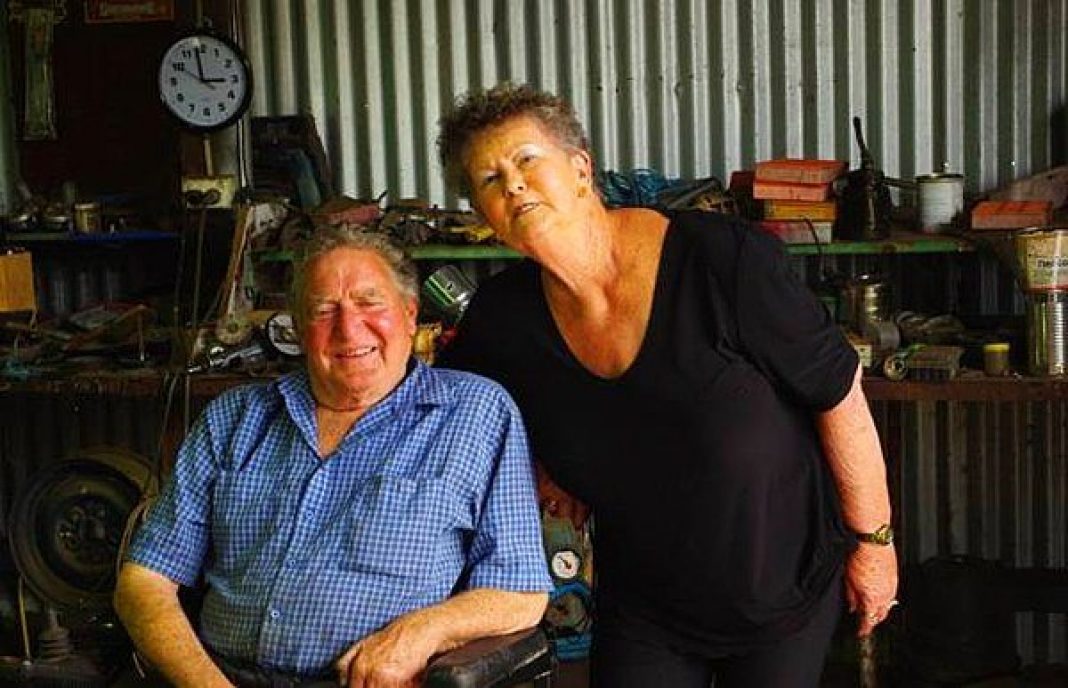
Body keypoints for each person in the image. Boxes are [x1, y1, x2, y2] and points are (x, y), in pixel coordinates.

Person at [436, 82, 899, 688]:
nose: (514, 186)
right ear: (483, 217)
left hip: (783, 588)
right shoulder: (503, 319)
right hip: (646, 605)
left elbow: (839, 396)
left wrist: (875, 543)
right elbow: (462, 420)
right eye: (490, 180)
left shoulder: (722, 260)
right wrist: (542, 468)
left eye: (526, 160)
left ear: (581, 169)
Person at [113, 227, 552, 688]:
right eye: (324, 310)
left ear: (410, 315)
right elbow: (143, 581)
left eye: (369, 303)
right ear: (300, 330)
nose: (348, 329)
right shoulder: (235, 417)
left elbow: (520, 593)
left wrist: (420, 633)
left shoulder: (476, 413)